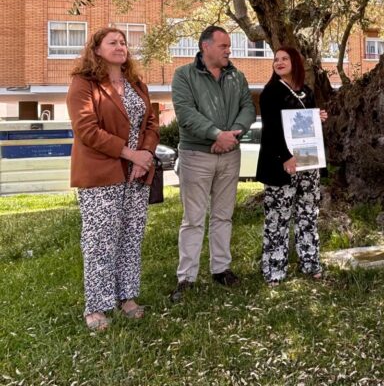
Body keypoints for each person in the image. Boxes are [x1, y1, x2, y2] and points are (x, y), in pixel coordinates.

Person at [66, 27, 159, 331]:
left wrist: (144, 155)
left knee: (131, 236)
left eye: (123, 42)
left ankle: (127, 298)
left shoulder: (136, 83)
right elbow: (86, 129)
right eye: (112, 42)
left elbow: (152, 123)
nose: (120, 46)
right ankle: (96, 306)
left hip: (136, 174)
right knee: (100, 241)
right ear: (96, 49)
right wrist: (131, 154)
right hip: (100, 174)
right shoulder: (83, 84)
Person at [170, 26, 256, 302]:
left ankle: (221, 269)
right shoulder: (184, 75)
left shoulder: (237, 76)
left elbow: (248, 109)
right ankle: (186, 278)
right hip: (196, 156)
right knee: (193, 219)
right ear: (205, 47)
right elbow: (186, 114)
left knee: (223, 216)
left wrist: (231, 136)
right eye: (224, 46)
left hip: (230, 155)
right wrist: (216, 134)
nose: (229, 50)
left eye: (229, 46)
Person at [257, 47, 328, 285]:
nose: (279, 62)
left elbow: (306, 126)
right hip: (282, 165)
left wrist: (317, 119)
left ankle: (310, 262)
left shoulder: (307, 92)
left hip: (308, 163)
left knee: (308, 213)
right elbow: (272, 130)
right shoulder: (270, 92)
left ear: (295, 62)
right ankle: (274, 268)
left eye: (284, 58)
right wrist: (285, 156)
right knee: (278, 217)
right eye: (276, 59)